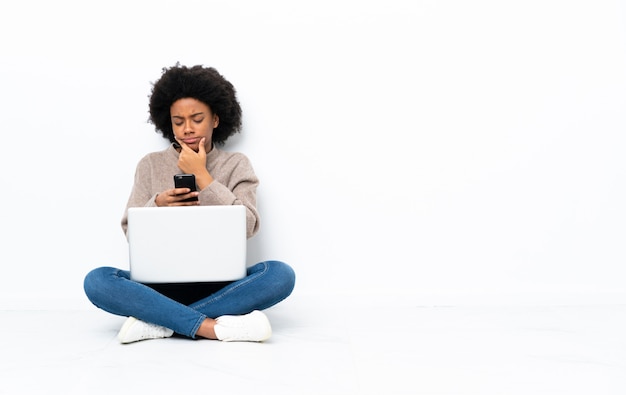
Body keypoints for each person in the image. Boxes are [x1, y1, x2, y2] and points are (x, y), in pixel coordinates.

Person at [83, 64, 296, 344]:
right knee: (97, 280)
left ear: (215, 120)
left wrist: (204, 178)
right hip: (159, 286)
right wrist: (157, 204)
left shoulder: (236, 165)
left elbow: (248, 225)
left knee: (280, 274)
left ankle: (161, 322)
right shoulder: (149, 165)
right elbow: (131, 232)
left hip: (222, 285)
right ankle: (210, 326)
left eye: (197, 119)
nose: (187, 129)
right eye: (178, 121)